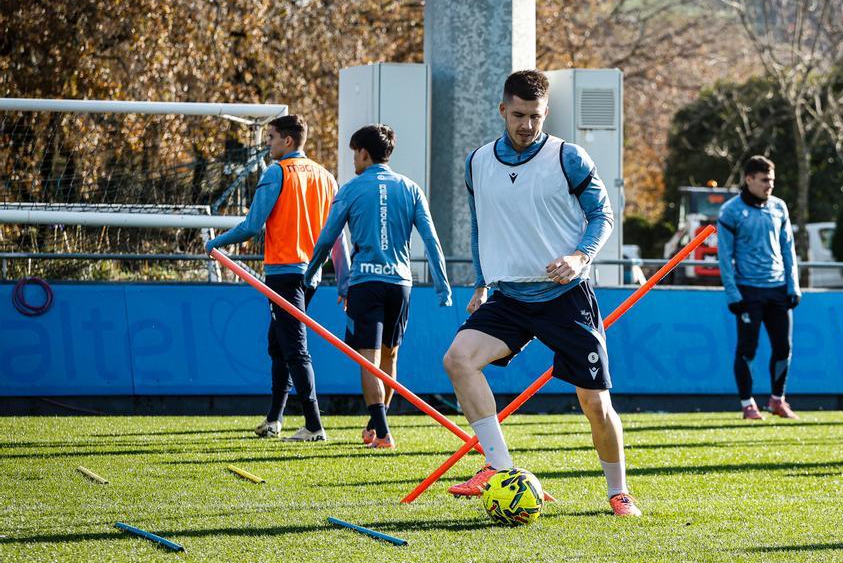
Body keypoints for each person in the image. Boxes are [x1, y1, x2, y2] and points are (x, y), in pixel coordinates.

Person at [440, 69, 640, 517]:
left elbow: (602, 215)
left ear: (546, 112)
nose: (527, 125)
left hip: (564, 295)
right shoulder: (477, 163)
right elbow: (480, 225)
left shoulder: (568, 158)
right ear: (502, 110)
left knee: (594, 402)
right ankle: (501, 470)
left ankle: (619, 491)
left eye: (535, 116)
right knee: (458, 359)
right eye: (518, 115)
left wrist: (580, 256)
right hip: (509, 297)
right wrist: (481, 280)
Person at [304, 124, 452, 449]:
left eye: (353, 154)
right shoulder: (411, 188)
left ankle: (383, 433)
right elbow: (431, 240)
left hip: (366, 282)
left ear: (363, 153)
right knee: (390, 358)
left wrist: (310, 273)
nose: (353, 161)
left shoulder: (351, 189)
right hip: (401, 284)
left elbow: (328, 237)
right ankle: (375, 425)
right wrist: (443, 286)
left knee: (367, 359)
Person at [206, 114, 337, 442]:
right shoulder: (325, 176)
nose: (268, 145)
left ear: (287, 141)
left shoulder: (276, 172)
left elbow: (251, 225)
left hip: (284, 271)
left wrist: (214, 241)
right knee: (278, 343)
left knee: (294, 347)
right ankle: (274, 419)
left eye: (271, 138)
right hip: (312, 273)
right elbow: (335, 231)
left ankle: (314, 425)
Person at [716, 155, 801, 420]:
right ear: (749, 179)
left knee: (783, 348)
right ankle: (747, 404)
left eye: (772, 181)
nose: (769, 186)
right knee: (747, 349)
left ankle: (778, 400)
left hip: (777, 289)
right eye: (764, 180)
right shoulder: (730, 211)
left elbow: (788, 248)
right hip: (748, 291)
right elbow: (724, 256)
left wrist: (793, 285)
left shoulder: (779, 207)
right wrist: (733, 294)